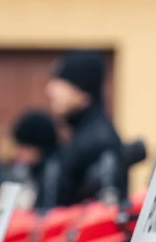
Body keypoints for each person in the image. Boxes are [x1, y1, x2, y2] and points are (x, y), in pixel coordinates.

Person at [46, 50, 125, 206]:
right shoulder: (81, 135)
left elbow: (105, 208)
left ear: (83, 93)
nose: (50, 89)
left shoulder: (99, 142)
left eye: (62, 82)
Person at [5, 109, 60, 210]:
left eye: (24, 148)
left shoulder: (54, 173)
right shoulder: (26, 172)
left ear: (39, 148)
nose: (18, 153)